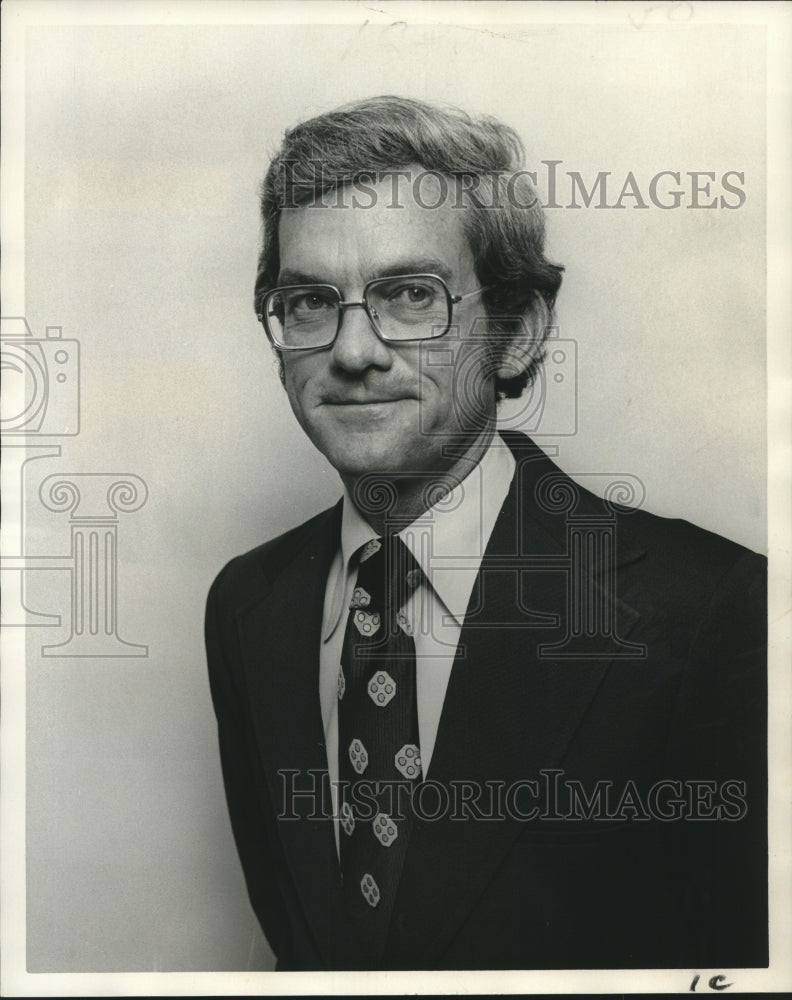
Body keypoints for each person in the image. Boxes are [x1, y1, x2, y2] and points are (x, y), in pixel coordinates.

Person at [205, 96, 767, 971]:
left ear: (516, 332)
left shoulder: (710, 609)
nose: (353, 351)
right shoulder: (251, 605)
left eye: (410, 295)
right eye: (310, 301)